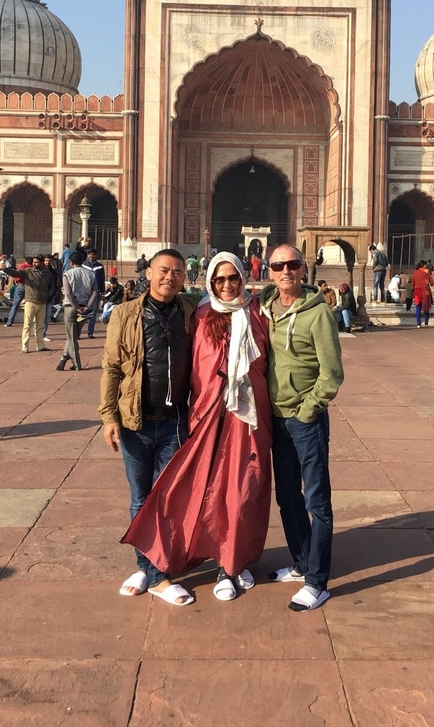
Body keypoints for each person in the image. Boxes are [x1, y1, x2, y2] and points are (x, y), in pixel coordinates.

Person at [122, 252, 272, 602]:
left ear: (243, 278)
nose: (227, 285)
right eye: (219, 279)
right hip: (206, 418)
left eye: (233, 278)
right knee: (205, 493)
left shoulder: (258, 313)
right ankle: (157, 564)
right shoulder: (200, 314)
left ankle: (233, 561)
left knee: (243, 491)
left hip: (248, 418)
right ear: (209, 282)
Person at [99, 249, 197, 606]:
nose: (169, 277)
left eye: (177, 271)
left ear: (184, 277)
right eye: (163, 270)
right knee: (141, 498)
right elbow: (111, 367)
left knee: (166, 499)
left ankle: (150, 571)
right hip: (135, 422)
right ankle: (154, 572)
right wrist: (108, 417)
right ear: (149, 273)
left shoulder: (191, 312)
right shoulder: (125, 313)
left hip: (175, 422)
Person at [259, 244, 344, 612]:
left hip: (305, 420)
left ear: (303, 269)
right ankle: (302, 562)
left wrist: (308, 410)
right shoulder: (264, 308)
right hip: (276, 418)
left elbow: (332, 373)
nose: (286, 271)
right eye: (278, 265)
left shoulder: (318, 313)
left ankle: (317, 582)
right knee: (288, 497)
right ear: (269, 271)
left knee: (316, 500)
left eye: (292, 264)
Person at [3, 255, 54, 353]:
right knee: (27, 325)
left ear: (42, 262)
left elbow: (52, 286)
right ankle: (25, 346)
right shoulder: (28, 271)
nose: (34, 264)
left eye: (36, 262)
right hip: (31, 301)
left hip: (42, 302)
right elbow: (16, 273)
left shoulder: (47, 274)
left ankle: (40, 346)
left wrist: (48, 295)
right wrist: (6, 270)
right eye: (33, 262)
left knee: (40, 326)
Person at [57, 251, 97, 371]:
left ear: (71, 262)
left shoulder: (67, 274)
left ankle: (77, 363)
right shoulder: (91, 274)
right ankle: (63, 359)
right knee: (73, 335)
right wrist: (87, 306)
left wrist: (76, 306)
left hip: (71, 306)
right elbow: (95, 292)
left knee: (71, 337)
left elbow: (68, 293)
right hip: (85, 308)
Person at [81, 248, 105, 339]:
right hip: (84, 291)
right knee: (82, 312)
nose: (91, 256)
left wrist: (102, 292)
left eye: (93, 254)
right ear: (87, 255)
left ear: (96, 255)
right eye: (90, 254)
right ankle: (78, 331)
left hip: (96, 292)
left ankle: (90, 332)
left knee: (93, 312)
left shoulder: (100, 266)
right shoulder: (83, 265)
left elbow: (102, 279)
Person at [5, 258, 30, 328]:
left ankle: (9, 321)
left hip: (21, 285)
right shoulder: (33, 268)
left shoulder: (23, 266)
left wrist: (16, 281)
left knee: (15, 305)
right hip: (30, 287)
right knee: (29, 305)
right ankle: (28, 321)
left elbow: (18, 275)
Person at [411, 261, 434, 328]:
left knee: (418, 307)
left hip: (416, 292)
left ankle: (418, 323)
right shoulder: (427, 271)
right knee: (426, 306)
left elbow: (412, 285)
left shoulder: (414, 272)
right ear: (422, 265)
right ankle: (426, 323)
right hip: (425, 292)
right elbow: (432, 283)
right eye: (425, 265)